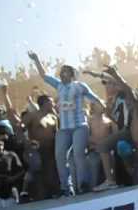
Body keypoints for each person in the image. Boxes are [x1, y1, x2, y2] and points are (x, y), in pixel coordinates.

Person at [28, 51, 106, 196]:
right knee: (59, 156)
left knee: (78, 154)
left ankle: (83, 184)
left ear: (71, 74)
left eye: (65, 72)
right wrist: (37, 59)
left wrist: (105, 108)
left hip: (79, 126)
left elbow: (94, 98)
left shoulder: (80, 86)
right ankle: (66, 187)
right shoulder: (58, 86)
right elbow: (44, 76)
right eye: (61, 72)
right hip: (64, 128)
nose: (62, 74)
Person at [88, 102, 115, 188]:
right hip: (94, 150)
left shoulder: (109, 121)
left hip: (107, 150)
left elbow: (113, 136)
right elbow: (87, 137)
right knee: (93, 162)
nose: (102, 105)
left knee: (113, 159)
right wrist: (98, 144)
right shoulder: (89, 121)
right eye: (99, 104)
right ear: (93, 107)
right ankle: (92, 186)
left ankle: (112, 181)